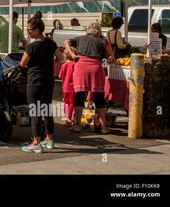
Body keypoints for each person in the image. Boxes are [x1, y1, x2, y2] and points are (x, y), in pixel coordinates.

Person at [20, 17, 62, 153]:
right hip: (48, 80)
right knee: (46, 109)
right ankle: (49, 139)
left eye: (29, 30)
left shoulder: (31, 47)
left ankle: (36, 142)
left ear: (37, 30)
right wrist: (49, 65)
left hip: (35, 81)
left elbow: (22, 64)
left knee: (35, 112)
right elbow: (60, 58)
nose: (28, 32)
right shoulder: (51, 43)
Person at [64, 22, 114, 135]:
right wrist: (108, 60)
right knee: (99, 97)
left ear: (88, 30)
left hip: (81, 66)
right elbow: (111, 56)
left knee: (79, 96)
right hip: (96, 67)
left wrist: (72, 54)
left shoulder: (80, 38)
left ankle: (77, 125)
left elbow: (66, 42)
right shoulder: (104, 41)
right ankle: (104, 127)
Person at [59, 49, 75, 127]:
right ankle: (69, 117)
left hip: (64, 86)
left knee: (66, 103)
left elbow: (60, 76)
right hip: (73, 86)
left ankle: (66, 117)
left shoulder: (64, 65)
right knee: (72, 103)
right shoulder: (74, 64)